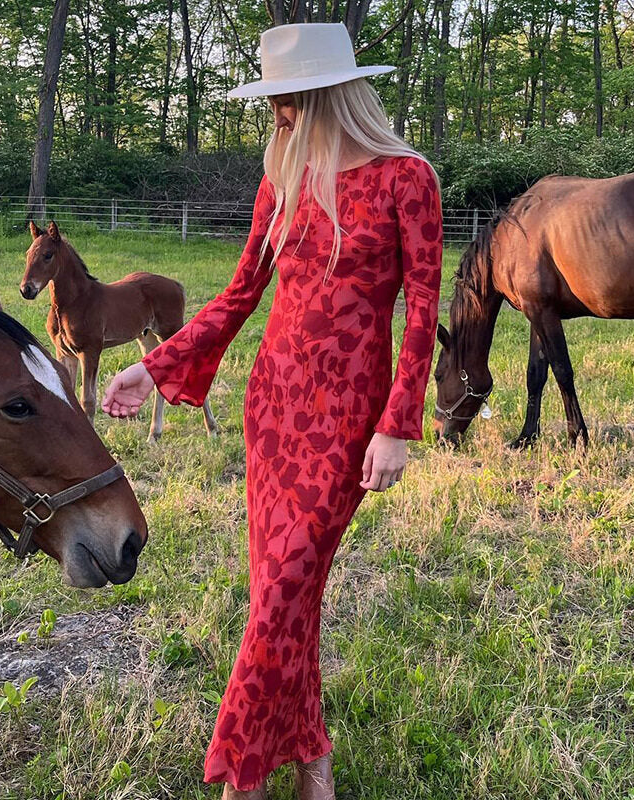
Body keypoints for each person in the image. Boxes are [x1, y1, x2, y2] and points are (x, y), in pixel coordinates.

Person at [102, 21, 443, 800]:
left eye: (286, 99)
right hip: (275, 406)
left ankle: (240, 775)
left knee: (286, 586)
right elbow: (239, 295)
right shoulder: (281, 177)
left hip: (350, 417)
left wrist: (398, 422)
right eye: (273, 101)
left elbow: (422, 306)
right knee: (282, 596)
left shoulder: (405, 178)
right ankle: (312, 758)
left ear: (326, 93)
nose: (277, 115)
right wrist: (155, 368)